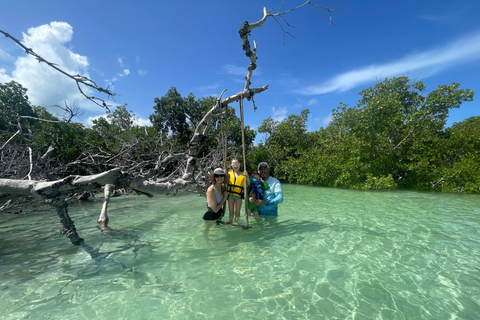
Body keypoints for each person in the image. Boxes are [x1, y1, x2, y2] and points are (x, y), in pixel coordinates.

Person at [227, 158, 249, 225]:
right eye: (233, 164)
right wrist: (224, 173)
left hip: (238, 196)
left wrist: (247, 176)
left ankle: (236, 221)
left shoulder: (243, 174)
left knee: (237, 211)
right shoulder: (229, 173)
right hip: (230, 196)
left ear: (240, 165)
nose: (235, 166)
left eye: (237, 164)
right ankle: (230, 221)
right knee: (231, 211)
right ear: (231, 165)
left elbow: (248, 184)